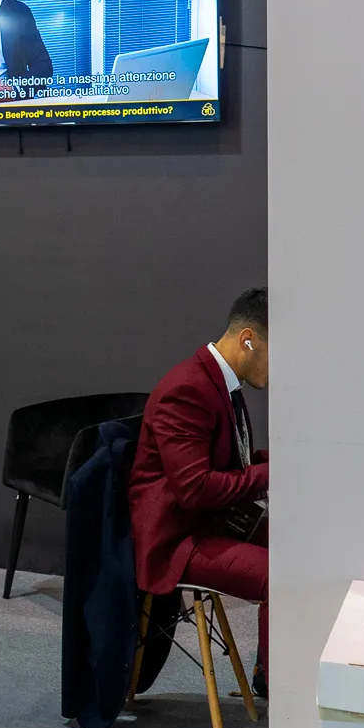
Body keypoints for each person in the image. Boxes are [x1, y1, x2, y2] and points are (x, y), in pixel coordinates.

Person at [131, 287, 271, 694]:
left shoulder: (220, 383)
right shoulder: (188, 389)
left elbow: (229, 461)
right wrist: (272, 474)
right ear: (249, 340)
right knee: (283, 576)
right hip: (178, 539)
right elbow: (196, 489)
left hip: (210, 522)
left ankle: (275, 671)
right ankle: (278, 684)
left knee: (306, 551)